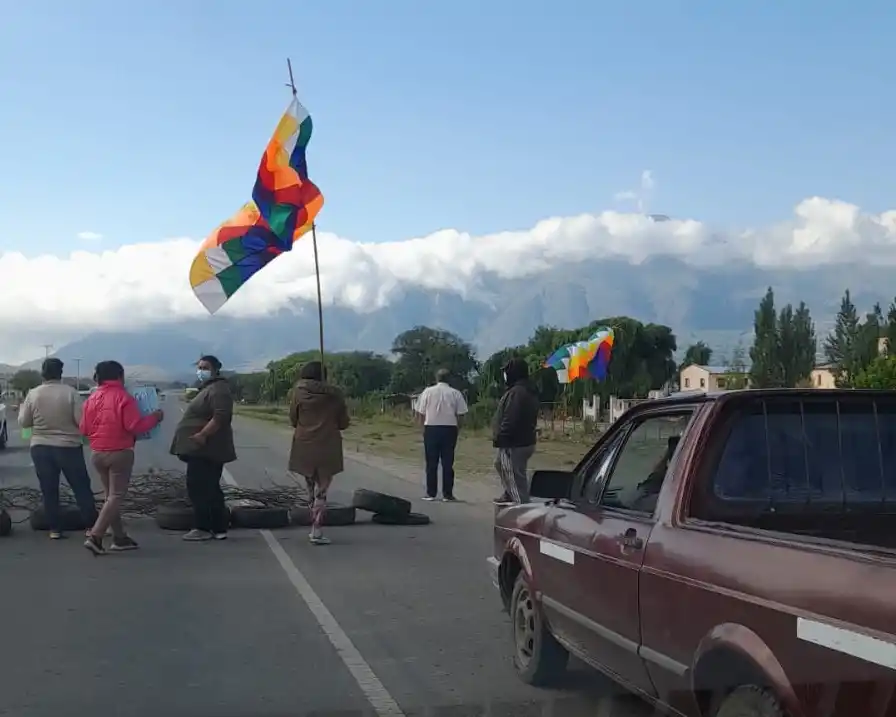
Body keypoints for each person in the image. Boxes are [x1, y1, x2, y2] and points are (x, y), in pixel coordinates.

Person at [80, 360, 164, 555]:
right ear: (119, 376)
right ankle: (96, 536)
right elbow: (134, 426)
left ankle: (119, 538)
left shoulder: (91, 399)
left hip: (97, 453)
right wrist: (155, 418)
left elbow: (84, 429)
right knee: (116, 497)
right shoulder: (123, 397)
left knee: (110, 497)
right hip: (120, 453)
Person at [18, 358, 98, 539]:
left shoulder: (33, 394)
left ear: (42, 373)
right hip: (68, 447)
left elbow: (24, 423)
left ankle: (54, 529)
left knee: (49, 489)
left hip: (40, 447)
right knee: (81, 487)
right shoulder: (71, 393)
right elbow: (81, 422)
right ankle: (92, 527)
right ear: (60, 373)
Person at [170, 355, 236, 541]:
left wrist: (203, 435)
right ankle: (218, 527)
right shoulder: (209, 388)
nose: (201, 370)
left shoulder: (218, 389)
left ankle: (203, 527)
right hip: (203, 448)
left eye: (205, 367)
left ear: (215, 369)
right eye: (199, 367)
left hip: (208, 448)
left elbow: (221, 416)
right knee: (209, 487)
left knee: (199, 487)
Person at [288, 361, 350, 545]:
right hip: (327, 444)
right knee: (322, 489)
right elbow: (343, 423)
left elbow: (293, 419)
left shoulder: (297, 393)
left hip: (304, 443)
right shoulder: (334, 395)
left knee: (310, 485)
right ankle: (316, 529)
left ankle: (312, 520)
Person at [414, 368, 468, 501]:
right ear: (449, 379)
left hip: (431, 428)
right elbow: (461, 414)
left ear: (436, 378)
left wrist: (423, 428)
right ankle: (447, 494)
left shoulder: (427, 391)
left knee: (431, 462)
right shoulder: (455, 393)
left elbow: (420, 413)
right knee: (448, 462)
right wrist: (457, 428)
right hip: (449, 428)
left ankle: (431, 493)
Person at [491, 357, 539, 504]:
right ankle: (509, 493)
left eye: (506, 372)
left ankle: (521, 508)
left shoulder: (518, 392)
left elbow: (511, 418)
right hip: (523, 440)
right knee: (500, 464)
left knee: (514, 476)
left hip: (513, 442)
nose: (504, 375)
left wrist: (501, 438)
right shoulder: (524, 389)